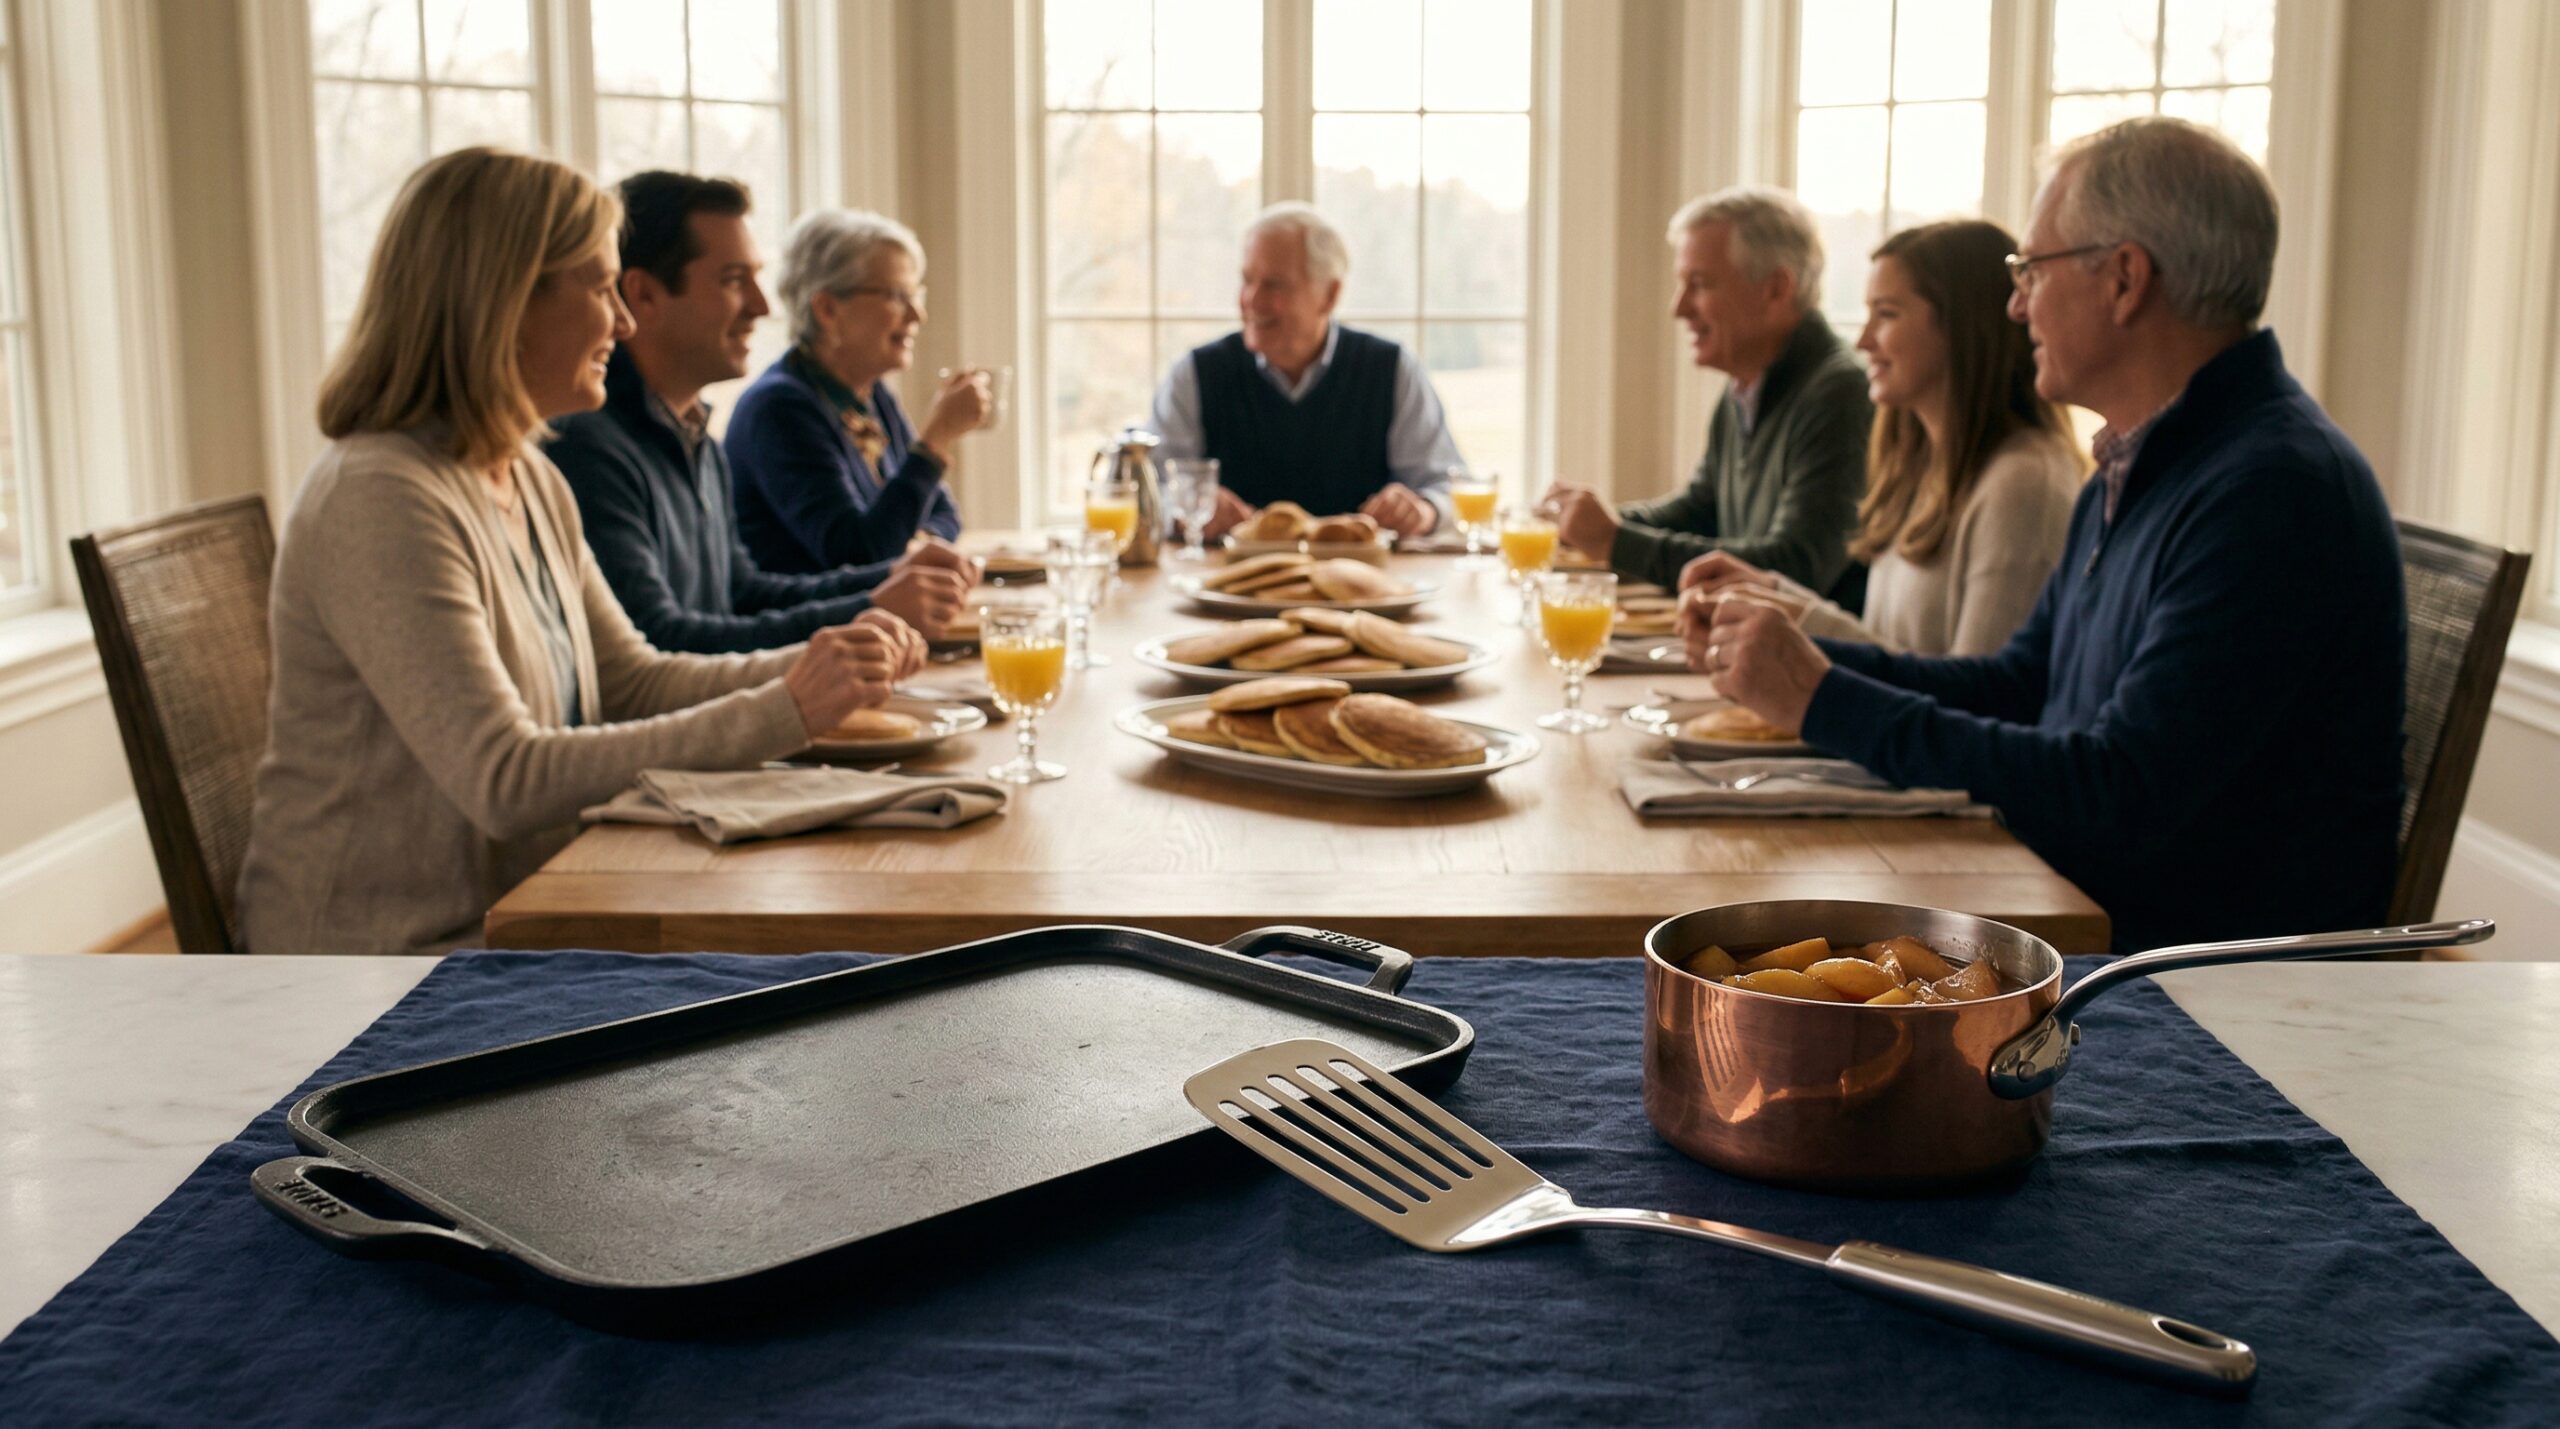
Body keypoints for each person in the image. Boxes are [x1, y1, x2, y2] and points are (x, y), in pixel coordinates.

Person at [1694, 117, 2405, 953]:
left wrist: (1821, 696)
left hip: (2194, 990)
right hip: (2081, 912)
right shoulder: (2145, 461)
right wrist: (1807, 665)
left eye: (2031, 267)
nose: (2014, 301)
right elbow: (2020, 683)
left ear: (2125, 279)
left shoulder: (2271, 491)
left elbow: (2121, 795)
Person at [237, 149, 925, 957]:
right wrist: (785, 708)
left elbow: (632, 680)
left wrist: (817, 666)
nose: (624, 322)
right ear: (504, 301)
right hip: (386, 968)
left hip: (528, 912)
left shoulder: (527, 471)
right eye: (601, 288)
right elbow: (505, 777)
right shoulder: (381, 495)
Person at [548, 172, 976, 650]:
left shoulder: (695, 437)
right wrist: (873, 606)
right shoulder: (590, 447)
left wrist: (891, 579)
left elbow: (743, 593)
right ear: (644, 295)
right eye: (734, 281)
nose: (762, 305)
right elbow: (661, 643)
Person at [1675, 220, 2084, 656]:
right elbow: (1895, 655)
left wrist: (1792, 621)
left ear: (1964, 328)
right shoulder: (1919, 465)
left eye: (1886, 314)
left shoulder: (2023, 485)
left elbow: (1977, 702)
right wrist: (1775, 600)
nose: (1864, 340)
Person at [1542, 188, 1871, 599]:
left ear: (1776, 288)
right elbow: (1701, 511)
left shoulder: (1841, 395)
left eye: (1699, 284)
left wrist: (1615, 541)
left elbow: (1795, 568)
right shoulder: (1747, 384)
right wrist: (1590, 524)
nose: (1678, 308)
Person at [1149, 202, 1460, 540]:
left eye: (1274, 285)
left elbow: (1450, 486)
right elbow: (1146, 491)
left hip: (1362, 586)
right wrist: (1184, 511)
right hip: (1225, 585)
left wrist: (1424, 510)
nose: (1251, 299)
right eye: (1247, 280)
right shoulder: (1195, 374)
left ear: (1329, 295)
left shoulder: (1392, 370)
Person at [726, 208, 990, 573]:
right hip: (812, 627)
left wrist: (914, 545)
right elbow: (858, 554)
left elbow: (944, 514)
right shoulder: (779, 409)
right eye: (897, 296)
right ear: (828, 309)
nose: (917, 315)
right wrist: (936, 439)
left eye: (916, 295)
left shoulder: (870, 395)